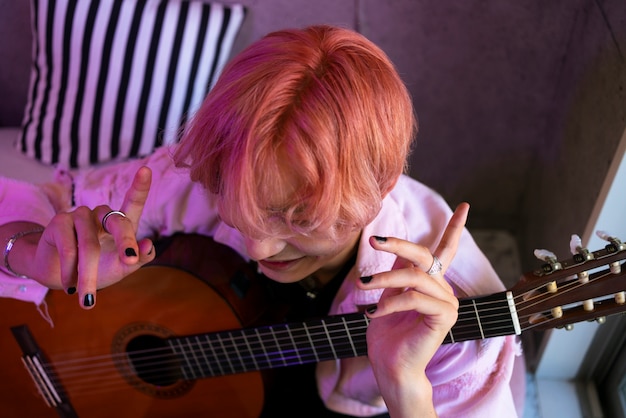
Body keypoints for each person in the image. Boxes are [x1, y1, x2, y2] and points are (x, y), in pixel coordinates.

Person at [0, 25, 520, 417]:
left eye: (296, 217)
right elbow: (42, 204)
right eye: (233, 200)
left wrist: (406, 388)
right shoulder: (218, 167)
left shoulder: (459, 324)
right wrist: (29, 250)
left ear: (382, 187)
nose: (258, 249)